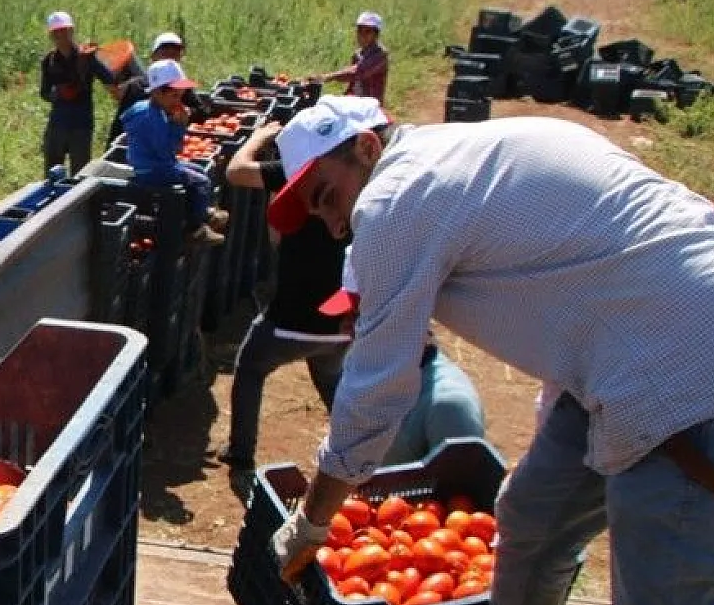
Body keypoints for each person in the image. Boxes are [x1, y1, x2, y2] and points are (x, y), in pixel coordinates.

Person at [263, 98, 714, 605]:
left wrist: (315, 520)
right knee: (533, 520)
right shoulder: (469, 163)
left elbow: (375, 388)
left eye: (327, 196)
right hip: (630, 356)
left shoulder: (396, 195)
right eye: (317, 213)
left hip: (691, 376)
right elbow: (580, 296)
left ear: (367, 148)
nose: (333, 222)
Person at [214, 119, 351, 483]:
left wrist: (257, 138)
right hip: (339, 321)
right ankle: (353, 451)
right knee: (330, 377)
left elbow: (237, 171)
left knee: (250, 368)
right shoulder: (357, 181)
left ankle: (241, 454)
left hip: (289, 321)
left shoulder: (295, 171)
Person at [317, 248, 488, 466]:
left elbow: (460, 487)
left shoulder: (448, 407)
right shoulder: (360, 376)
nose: (345, 328)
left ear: (403, 312)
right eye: (346, 316)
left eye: (358, 315)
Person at [118, 60, 225, 247]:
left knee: (199, 169)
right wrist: (178, 126)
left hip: (147, 164)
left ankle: (202, 211)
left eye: (180, 96)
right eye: (174, 96)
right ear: (157, 92)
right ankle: (196, 229)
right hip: (154, 170)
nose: (178, 102)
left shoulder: (146, 109)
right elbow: (169, 151)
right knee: (201, 181)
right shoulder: (154, 118)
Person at [39, 11, 115, 176]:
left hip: (81, 124)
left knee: (80, 175)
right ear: (51, 36)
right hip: (57, 123)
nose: (61, 36)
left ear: (72, 31)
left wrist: (95, 59)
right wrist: (58, 94)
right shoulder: (49, 61)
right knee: (52, 174)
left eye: (64, 31)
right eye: (57, 32)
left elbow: (109, 78)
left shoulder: (86, 57)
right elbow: (44, 92)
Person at [108, 32, 186, 142]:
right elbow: (165, 146)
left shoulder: (179, 84)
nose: (170, 57)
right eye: (165, 51)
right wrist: (177, 125)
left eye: (175, 53)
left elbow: (200, 110)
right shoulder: (138, 92)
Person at [322, 11, 388, 104]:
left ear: (376, 35)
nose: (362, 35)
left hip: (370, 106)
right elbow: (353, 83)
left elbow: (357, 72)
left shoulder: (381, 55)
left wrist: (328, 77)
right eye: (360, 30)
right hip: (355, 102)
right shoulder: (358, 54)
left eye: (368, 31)